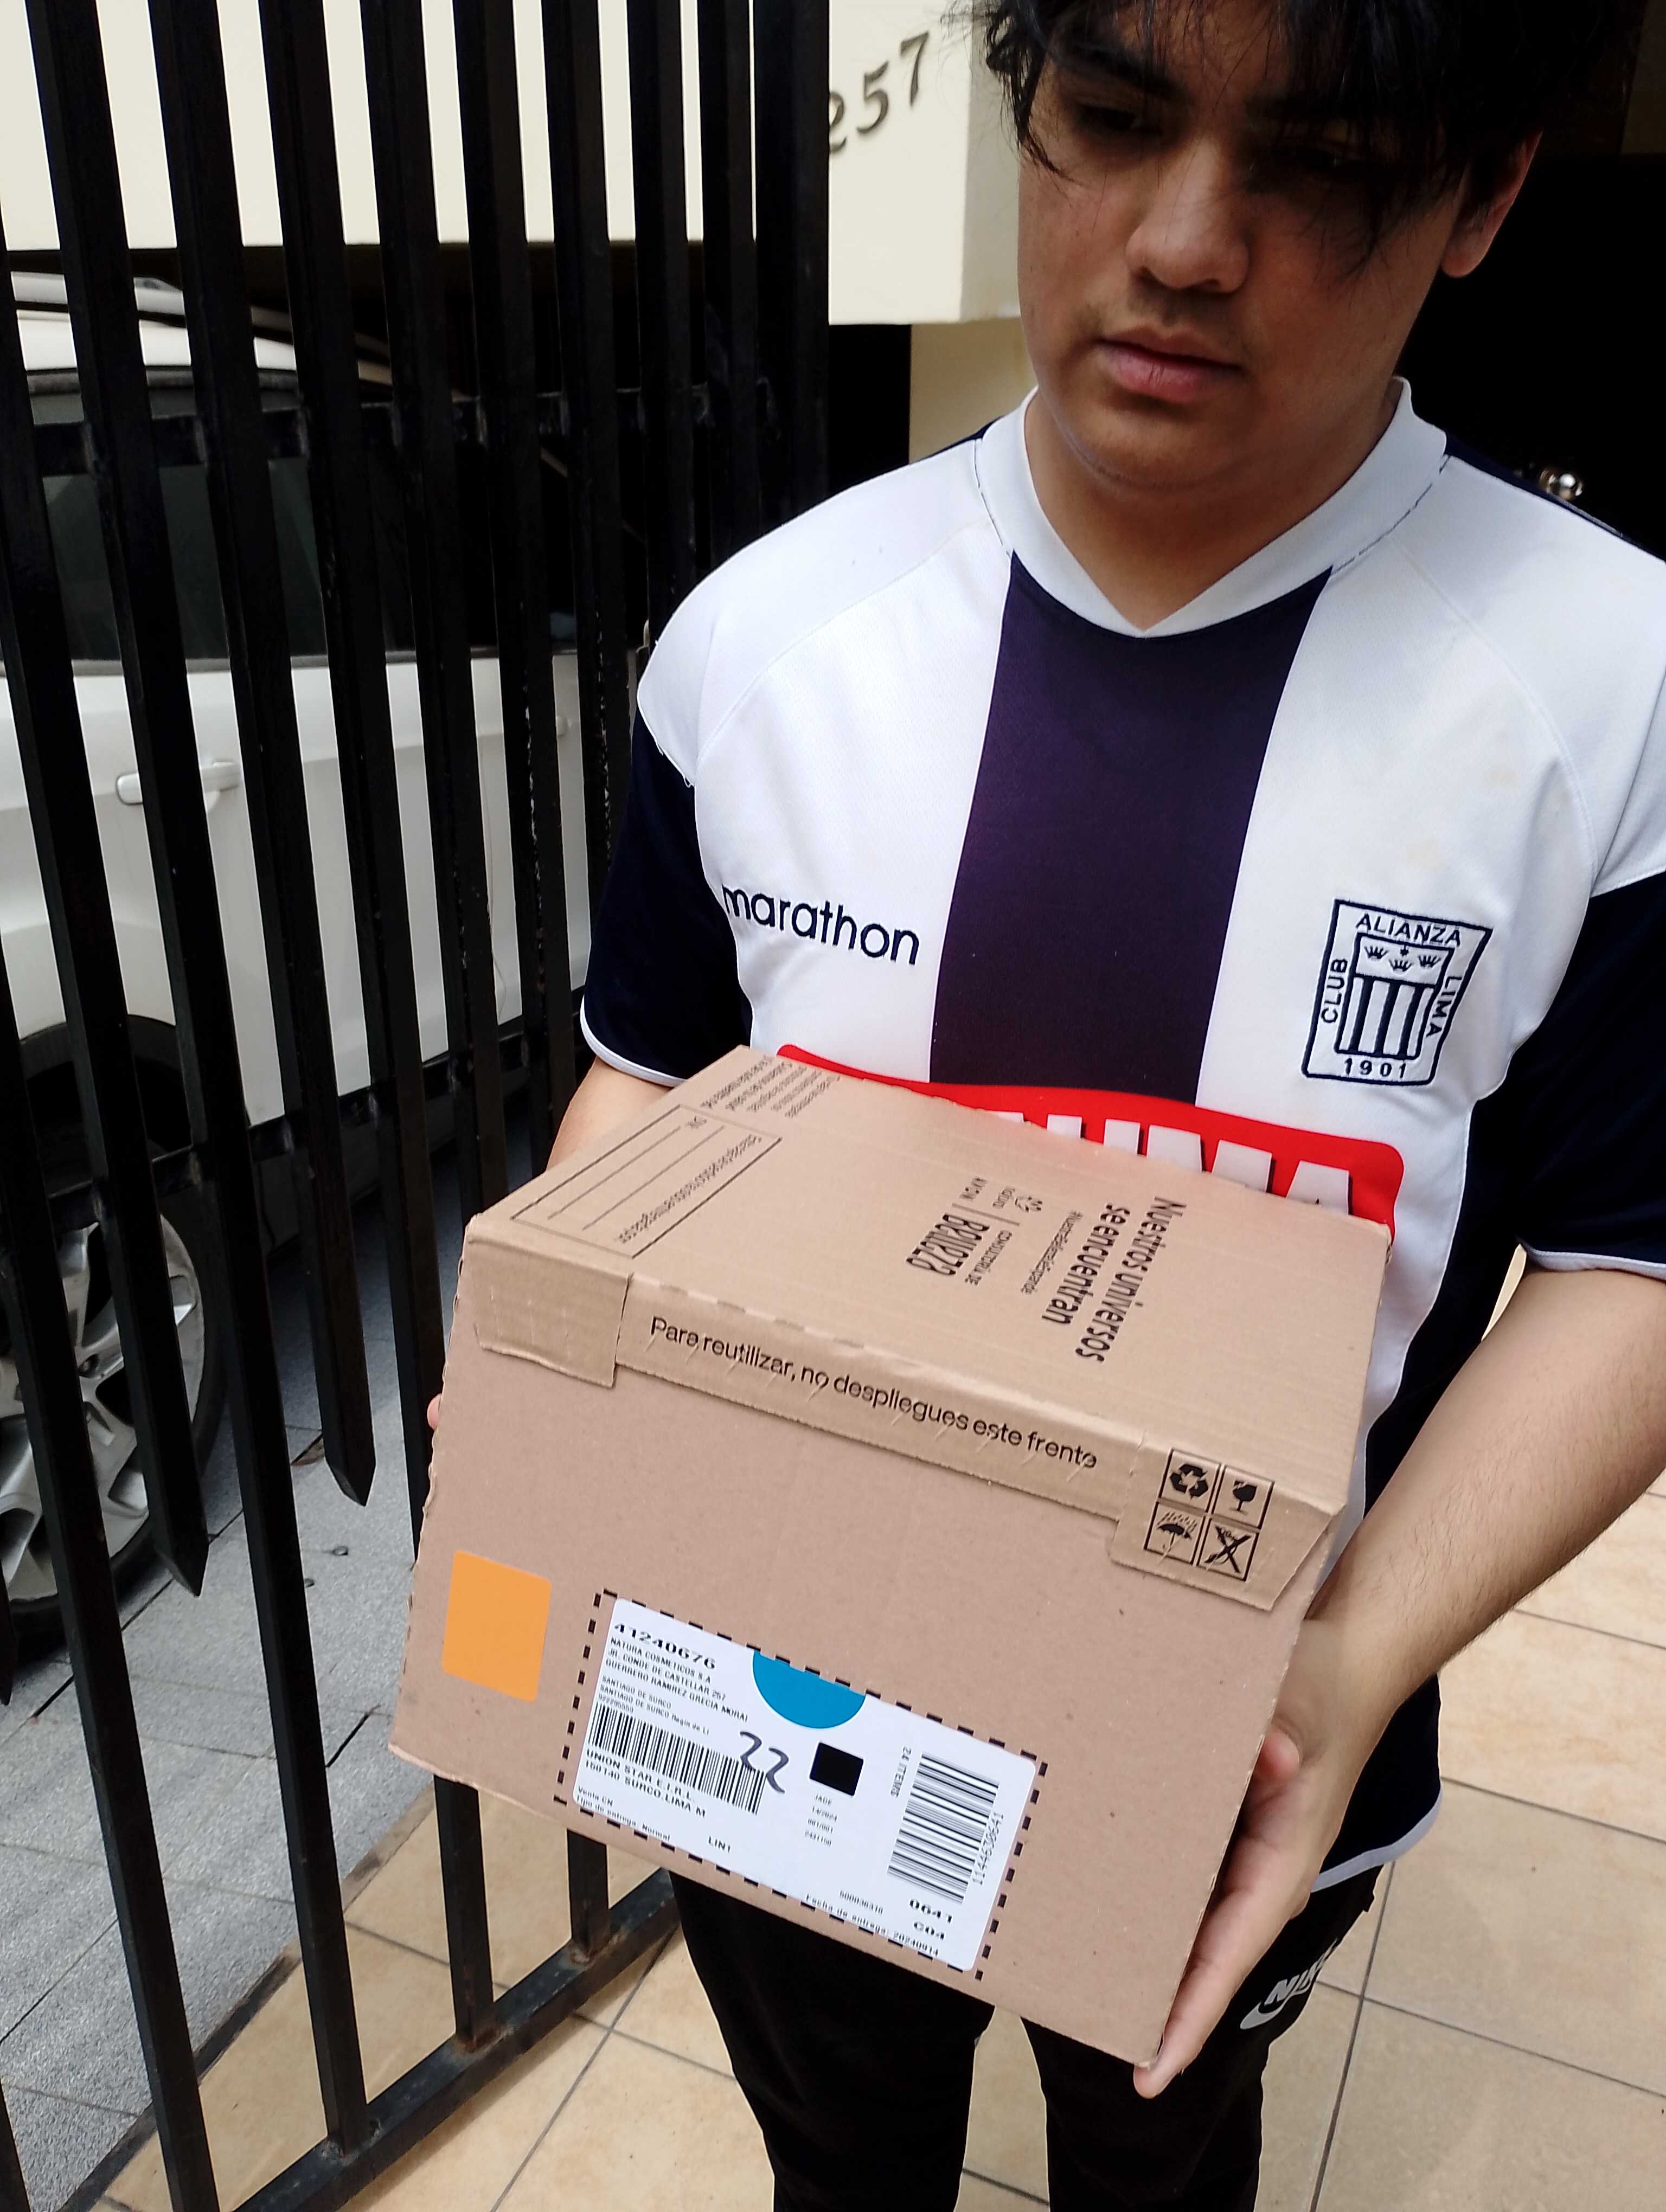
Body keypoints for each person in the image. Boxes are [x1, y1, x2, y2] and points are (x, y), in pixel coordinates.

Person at [444, 1, 1666, 2201]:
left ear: (1484, 194)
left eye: (1323, 162)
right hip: (785, 1707)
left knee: (1159, 2171)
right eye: (1113, 119)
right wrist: (554, 1369)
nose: (1185, 243)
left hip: (1244, 1754)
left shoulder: (1616, 690)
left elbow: (1630, 1260)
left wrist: (1350, 1664)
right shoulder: (764, 640)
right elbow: (647, 1083)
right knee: (845, 2160)